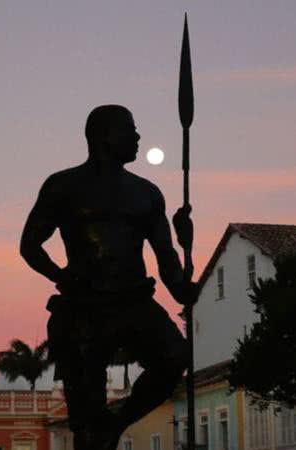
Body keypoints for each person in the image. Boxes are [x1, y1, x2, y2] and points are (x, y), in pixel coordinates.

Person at [20, 104, 197, 450]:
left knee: (175, 357)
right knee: (86, 424)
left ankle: (117, 422)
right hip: (83, 305)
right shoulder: (63, 186)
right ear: (104, 136)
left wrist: (184, 249)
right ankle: (100, 431)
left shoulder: (147, 193)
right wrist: (61, 276)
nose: (137, 137)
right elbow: (30, 245)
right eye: (130, 129)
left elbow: (168, 264)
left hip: (134, 301)